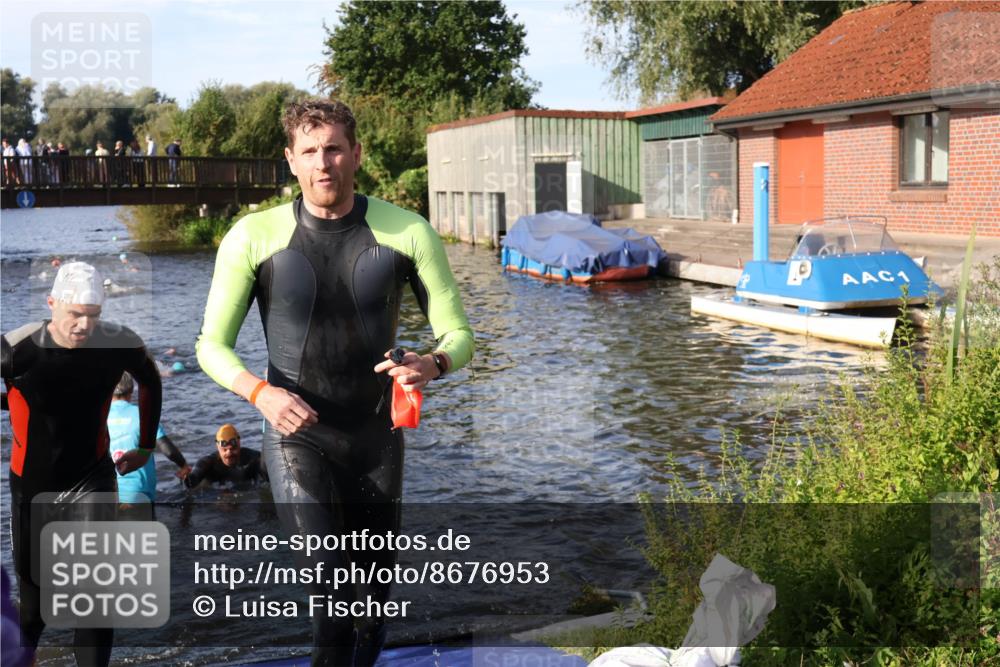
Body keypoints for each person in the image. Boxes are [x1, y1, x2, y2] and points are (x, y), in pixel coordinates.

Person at [196, 98, 474, 666]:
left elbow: (459, 335)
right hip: (297, 437)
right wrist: (260, 393)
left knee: (373, 606)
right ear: (290, 162)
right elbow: (211, 346)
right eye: (310, 151)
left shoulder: (409, 232)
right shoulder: (253, 236)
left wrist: (431, 364)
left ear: (356, 155)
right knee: (330, 590)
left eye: (334, 149)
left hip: (377, 439)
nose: (324, 163)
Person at [1, 261, 162, 667]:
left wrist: (145, 445)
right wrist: (15, 401)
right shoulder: (16, 349)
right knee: (35, 605)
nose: (82, 326)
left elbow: (150, 379)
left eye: (93, 316)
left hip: (91, 477)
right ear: (51, 303)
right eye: (74, 314)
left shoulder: (119, 342)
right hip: (32, 485)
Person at [109, 371, 190, 507]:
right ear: (131, 390)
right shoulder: (142, 414)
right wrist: (183, 465)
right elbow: (167, 449)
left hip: (109, 495)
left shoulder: (100, 417)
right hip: (139, 495)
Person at [183, 424, 267, 488]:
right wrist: (188, 478)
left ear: (239, 443)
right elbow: (195, 475)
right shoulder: (208, 463)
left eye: (233, 448)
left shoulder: (253, 458)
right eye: (225, 450)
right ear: (218, 446)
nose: (229, 452)